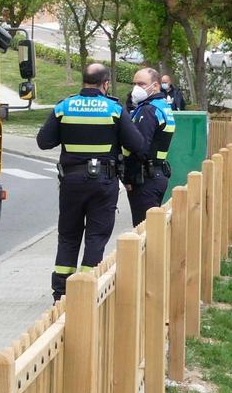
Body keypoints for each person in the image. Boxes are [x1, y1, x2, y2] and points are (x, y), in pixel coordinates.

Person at [37, 64, 145, 302]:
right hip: (103, 183)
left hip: (71, 181)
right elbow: (137, 145)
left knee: (68, 235)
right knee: (96, 235)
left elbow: (43, 142)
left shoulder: (64, 106)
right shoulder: (114, 109)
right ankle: (86, 291)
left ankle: (61, 293)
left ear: (83, 81)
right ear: (105, 83)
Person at [124, 68, 176, 225]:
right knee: (152, 229)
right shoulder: (162, 106)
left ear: (155, 86)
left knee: (144, 232)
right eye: (134, 84)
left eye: (141, 84)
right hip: (156, 174)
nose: (136, 88)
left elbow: (139, 148)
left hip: (144, 178)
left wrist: (127, 177)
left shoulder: (148, 110)